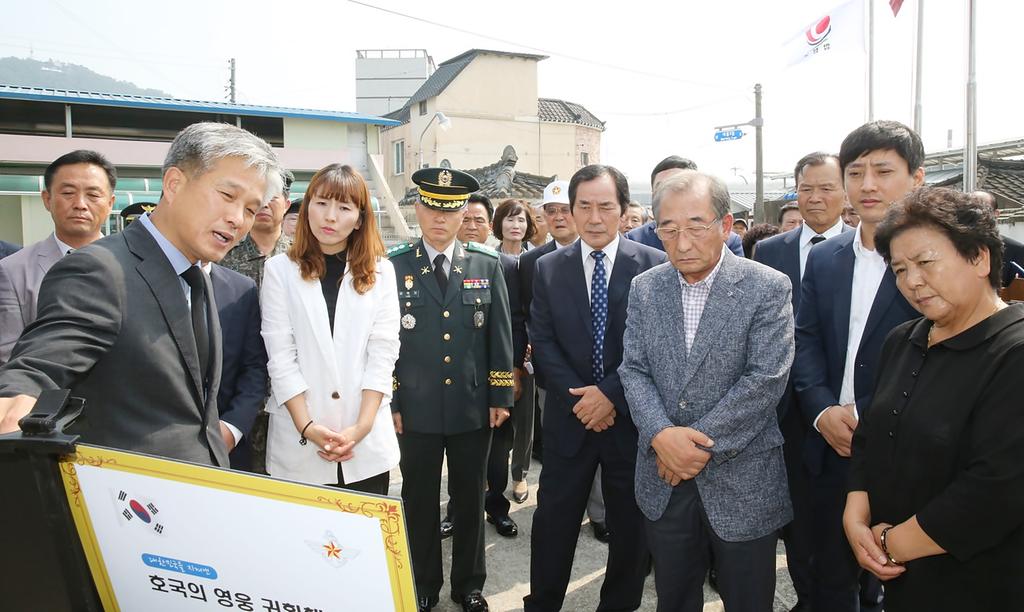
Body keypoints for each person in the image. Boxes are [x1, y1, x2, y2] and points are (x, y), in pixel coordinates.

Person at [0, 122, 283, 466]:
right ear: (174, 183)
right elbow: (39, 365)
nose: (238, 219)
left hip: (200, 488)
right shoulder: (101, 269)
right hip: (130, 501)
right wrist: (15, 404)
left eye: (251, 209)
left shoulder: (197, 275)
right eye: (227, 196)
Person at [620, 169, 793, 612]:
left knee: (749, 599)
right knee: (674, 597)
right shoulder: (645, 288)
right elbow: (634, 370)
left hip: (744, 479)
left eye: (696, 225)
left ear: (726, 225)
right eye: (669, 229)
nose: (682, 242)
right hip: (664, 477)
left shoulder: (767, 287)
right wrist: (662, 436)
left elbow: (765, 380)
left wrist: (690, 446)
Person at [844, 187, 1024, 610]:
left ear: (979, 258)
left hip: (984, 582)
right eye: (900, 269)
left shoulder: (1013, 351)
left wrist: (890, 543)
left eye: (925, 263)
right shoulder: (902, 339)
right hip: (905, 579)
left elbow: (996, 489)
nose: (912, 282)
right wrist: (855, 517)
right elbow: (869, 436)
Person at [792, 120, 925, 612]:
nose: (868, 185)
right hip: (827, 441)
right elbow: (803, 341)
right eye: (856, 172)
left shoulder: (932, 261)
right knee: (828, 572)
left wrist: (867, 412)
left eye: (883, 171)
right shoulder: (825, 259)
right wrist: (823, 409)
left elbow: (935, 353)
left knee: (897, 576)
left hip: (902, 448)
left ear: (916, 178)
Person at [524, 164, 665, 612]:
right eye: (584, 206)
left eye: (606, 206)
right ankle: (543, 603)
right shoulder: (548, 268)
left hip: (630, 422)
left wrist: (610, 396)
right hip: (569, 419)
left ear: (624, 211)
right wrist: (585, 400)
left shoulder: (654, 267)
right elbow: (542, 342)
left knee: (630, 529)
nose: (595, 217)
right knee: (553, 525)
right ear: (571, 210)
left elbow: (652, 349)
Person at [388, 167, 514, 612]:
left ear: (464, 213)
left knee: (468, 499)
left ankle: (469, 585)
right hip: (416, 410)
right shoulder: (394, 264)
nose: (440, 218)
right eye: (432, 208)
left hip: (471, 407)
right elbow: (385, 343)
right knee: (418, 500)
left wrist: (500, 395)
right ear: (418, 209)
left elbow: (499, 337)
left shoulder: (486, 263)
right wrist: (394, 400)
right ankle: (424, 585)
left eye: (451, 209)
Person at [260, 164, 400, 494]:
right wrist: (307, 426)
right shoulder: (280, 270)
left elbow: (383, 353)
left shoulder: (382, 272)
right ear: (307, 206)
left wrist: (361, 427)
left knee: (362, 539)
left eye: (344, 207)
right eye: (322, 203)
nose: (330, 217)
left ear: (361, 218)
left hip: (365, 441)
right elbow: (280, 356)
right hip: (300, 440)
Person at [753, 151, 851, 611]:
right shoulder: (770, 251)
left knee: (842, 515)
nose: (815, 198)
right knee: (794, 516)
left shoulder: (867, 249)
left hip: (840, 408)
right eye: (806, 189)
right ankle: (806, 595)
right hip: (782, 409)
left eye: (826, 187)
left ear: (845, 191)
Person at [448, 192, 525, 540]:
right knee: (459, 453)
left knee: (497, 452)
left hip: (496, 378)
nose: (473, 226)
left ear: (489, 225)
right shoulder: (440, 264)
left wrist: (512, 373)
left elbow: (515, 323)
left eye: (480, 220)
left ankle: (497, 507)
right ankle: (456, 510)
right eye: (467, 219)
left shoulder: (504, 265)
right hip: (457, 381)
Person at [0, 150, 117, 364]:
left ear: (110, 203)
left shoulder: (136, 264)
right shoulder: (12, 270)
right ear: (47, 199)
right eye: (68, 193)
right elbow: (9, 355)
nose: (80, 204)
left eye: (93, 195)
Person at [209, 259, 268, 472]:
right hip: (150, 454)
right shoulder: (137, 280)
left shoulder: (241, 288)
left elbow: (254, 366)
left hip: (231, 450)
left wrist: (232, 428)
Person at [627, 155, 745, 258]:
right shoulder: (634, 240)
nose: (682, 246)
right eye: (661, 188)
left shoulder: (728, 240)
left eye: (679, 187)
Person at [221, 168, 295, 289]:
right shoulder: (225, 249)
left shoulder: (300, 253)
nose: (265, 205)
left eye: (272, 198)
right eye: (261, 199)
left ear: (286, 205)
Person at [972, 190, 1024, 287]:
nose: (977, 215)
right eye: (971, 210)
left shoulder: (1016, 251)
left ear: (996, 214)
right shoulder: (950, 246)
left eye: (983, 209)